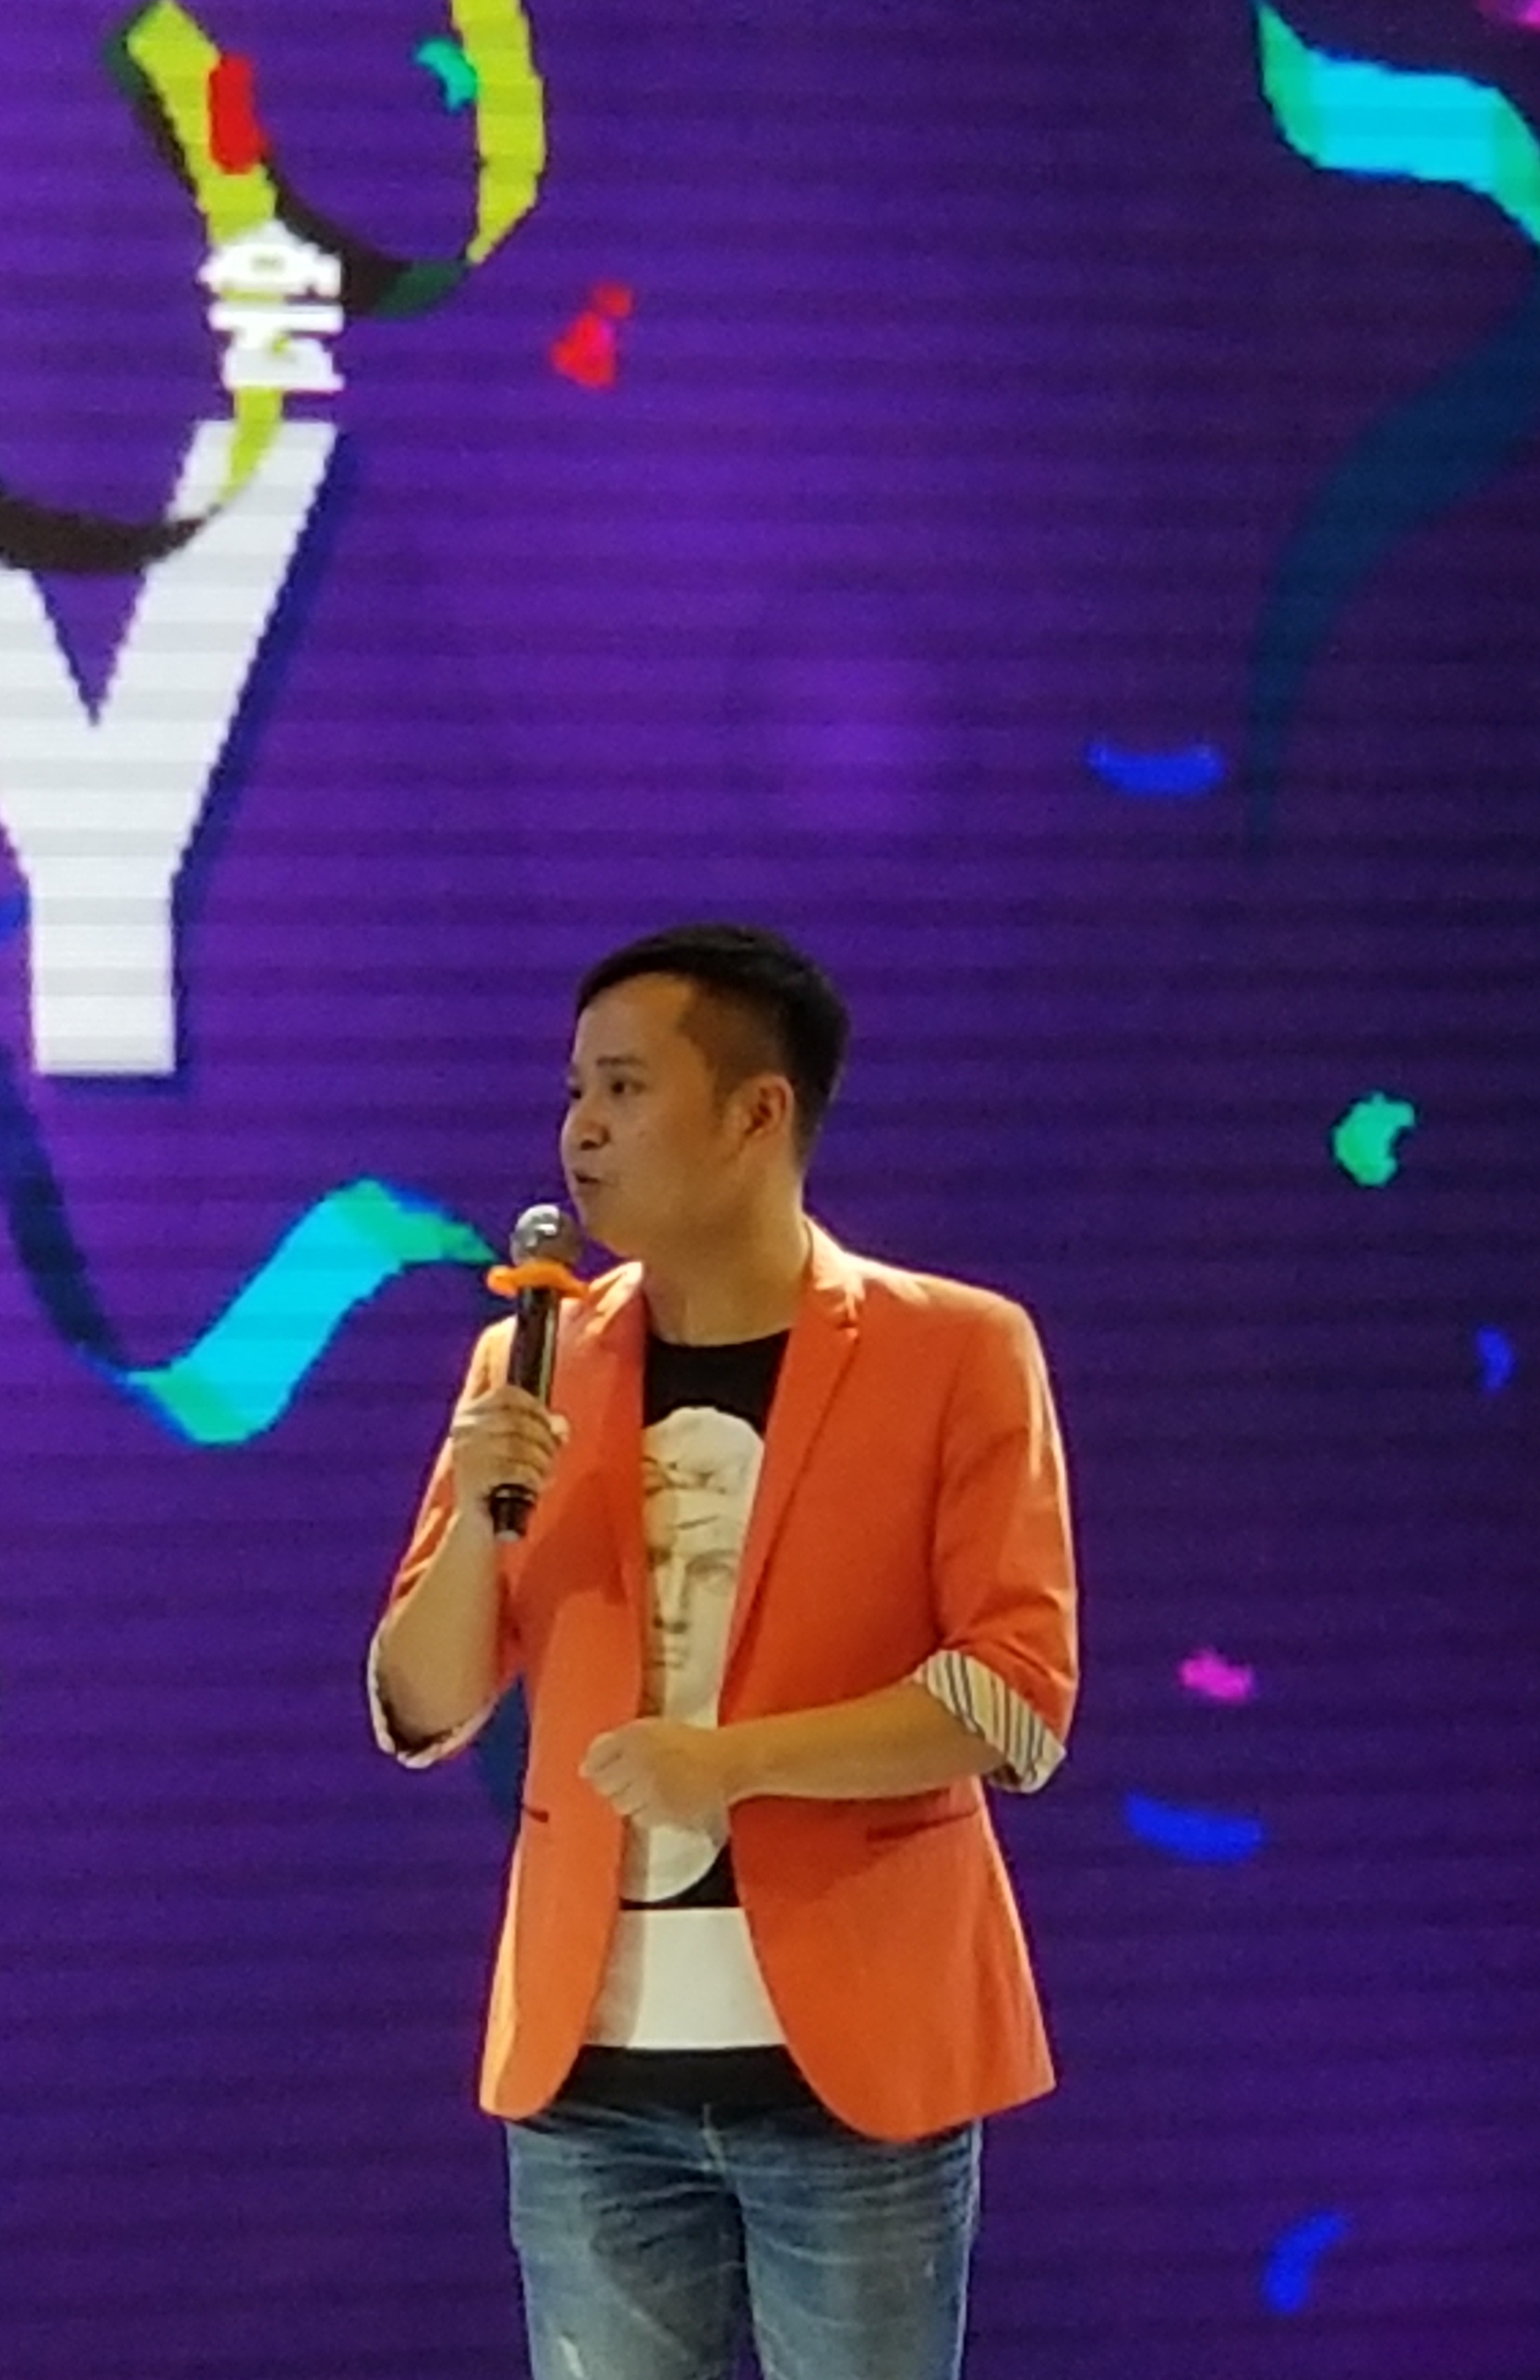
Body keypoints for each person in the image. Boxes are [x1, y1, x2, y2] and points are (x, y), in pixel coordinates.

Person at [368, 924, 1078, 2380]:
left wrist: (736, 1763)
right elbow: (421, 1705)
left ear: (759, 1113)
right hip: (589, 2073)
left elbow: (1014, 1697)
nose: (581, 1130)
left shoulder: (956, 1349)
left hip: (853, 2072)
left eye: (625, 1089)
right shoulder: (530, 1360)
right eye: (574, 1090)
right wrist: (480, 1518)